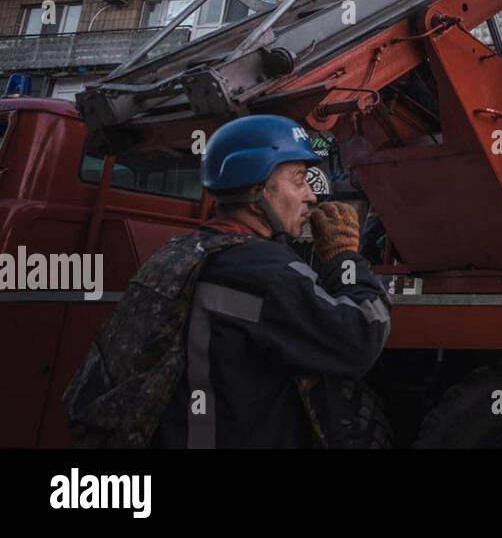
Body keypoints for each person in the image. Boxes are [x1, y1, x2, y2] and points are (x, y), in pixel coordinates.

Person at [64, 114, 391, 448]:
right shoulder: (266, 271)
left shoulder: (176, 253)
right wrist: (344, 258)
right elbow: (360, 336)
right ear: (256, 187)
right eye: (298, 180)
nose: (311, 196)